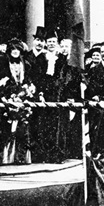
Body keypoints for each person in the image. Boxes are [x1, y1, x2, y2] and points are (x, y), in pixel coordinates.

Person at [0, 38, 35, 164]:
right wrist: (4, 96)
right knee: (5, 128)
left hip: (21, 97)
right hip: (6, 96)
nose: (15, 52)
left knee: (22, 128)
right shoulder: (2, 62)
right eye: (13, 49)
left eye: (18, 49)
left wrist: (27, 90)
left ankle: (20, 157)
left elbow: (28, 80)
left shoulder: (25, 64)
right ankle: (2, 158)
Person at [33, 28, 68, 163]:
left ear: (57, 43)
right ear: (46, 44)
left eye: (54, 41)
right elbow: (38, 77)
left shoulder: (62, 58)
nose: (51, 44)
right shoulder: (41, 58)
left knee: (58, 125)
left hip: (59, 93)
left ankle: (58, 154)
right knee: (45, 124)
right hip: (45, 93)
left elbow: (64, 77)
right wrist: (40, 92)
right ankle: (45, 154)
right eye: (49, 42)